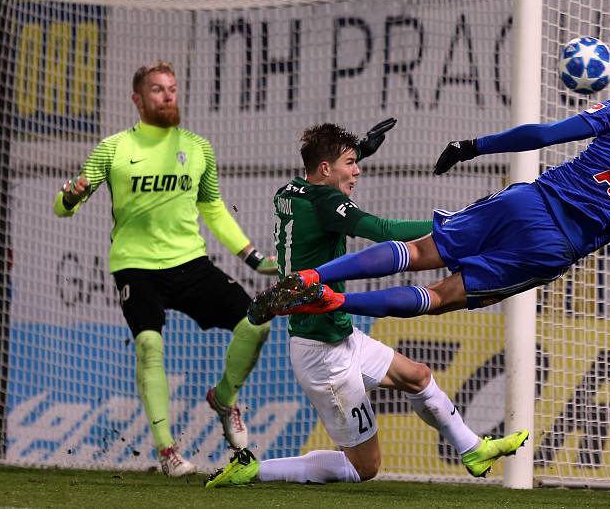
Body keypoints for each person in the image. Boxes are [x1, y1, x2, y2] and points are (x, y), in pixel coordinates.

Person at [205, 122, 529, 488]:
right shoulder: (328, 201)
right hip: (323, 353)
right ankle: (254, 470)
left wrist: (357, 149)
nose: (357, 170)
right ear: (326, 169)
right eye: (350, 163)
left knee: (418, 376)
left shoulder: (289, 191)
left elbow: (320, 174)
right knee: (364, 467)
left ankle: (471, 448)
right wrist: (464, 229)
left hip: (337, 333)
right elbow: (385, 231)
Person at [259, 68, 610, 320]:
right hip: (554, 246)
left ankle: (313, 276)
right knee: (440, 297)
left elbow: (544, 134)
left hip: (532, 200)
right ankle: (337, 301)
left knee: (417, 252)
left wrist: (473, 146)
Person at [53, 61, 278, 476]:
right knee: (149, 346)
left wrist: (253, 257)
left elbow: (213, 208)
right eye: (157, 89)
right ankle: (167, 449)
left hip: (189, 262)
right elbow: (65, 205)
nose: (168, 95)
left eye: (172, 88)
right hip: (134, 265)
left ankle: (224, 399)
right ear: (137, 99)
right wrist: (70, 195)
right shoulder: (114, 148)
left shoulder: (198, 148)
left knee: (256, 324)